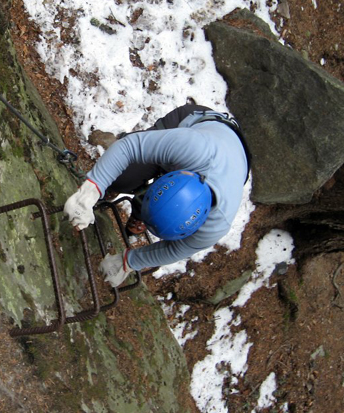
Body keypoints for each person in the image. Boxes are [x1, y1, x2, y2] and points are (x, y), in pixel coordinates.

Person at [63, 103, 251, 287]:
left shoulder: (216, 225)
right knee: (125, 177)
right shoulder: (192, 147)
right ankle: (120, 187)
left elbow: (178, 249)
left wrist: (129, 262)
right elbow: (130, 147)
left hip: (233, 158)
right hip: (194, 123)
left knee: (150, 191)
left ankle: (141, 213)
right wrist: (91, 190)